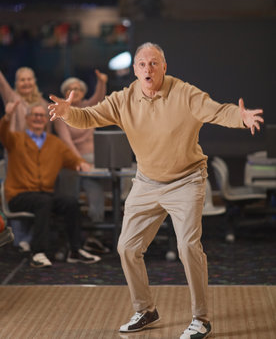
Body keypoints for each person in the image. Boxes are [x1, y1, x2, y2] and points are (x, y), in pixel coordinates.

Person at [48, 42, 264, 338]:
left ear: (164, 66)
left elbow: (218, 111)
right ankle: (145, 309)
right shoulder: (122, 99)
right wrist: (67, 113)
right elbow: (89, 118)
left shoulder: (185, 93)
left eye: (154, 63)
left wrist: (241, 118)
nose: (147, 69)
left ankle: (201, 318)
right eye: (141, 64)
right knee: (127, 247)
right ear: (134, 70)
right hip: (147, 182)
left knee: (188, 247)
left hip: (186, 180)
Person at [0, 100, 101, 268]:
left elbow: (73, 160)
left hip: (44, 195)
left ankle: (75, 250)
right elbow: (2, 133)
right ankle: (38, 252)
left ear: (47, 119)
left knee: (71, 203)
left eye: (42, 115)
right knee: (43, 202)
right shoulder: (15, 139)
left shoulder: (56, 143)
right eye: (35, 115)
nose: (38, 118)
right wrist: (8, 116)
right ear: (27, 119)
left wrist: (82, 164)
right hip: (18, 195)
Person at [0, 45, 51, 250]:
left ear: (34, 82)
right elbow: (0, 82)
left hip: (38, 158)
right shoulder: (13, 99)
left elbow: (50, 134)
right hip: (16, 157)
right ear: (17, 83)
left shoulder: (44, 104)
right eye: (22, 79)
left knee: (37, 195)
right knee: (20, 195)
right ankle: (20, 237)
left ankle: (32, 236)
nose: (26, 82)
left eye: (29, 79)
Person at [54, 71, 110, 254]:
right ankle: (68, 238)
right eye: (71, 89)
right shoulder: (61, 111)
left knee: (96, 194)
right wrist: (78, 161)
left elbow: (99, 96)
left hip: (92, 162)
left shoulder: (88, 108)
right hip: (71, 161)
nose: (75, 91)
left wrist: (101, 82)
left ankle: (95, 236)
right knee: (70, 198)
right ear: (65, 92)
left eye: (78, 89)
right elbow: (66, 141)